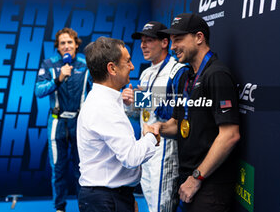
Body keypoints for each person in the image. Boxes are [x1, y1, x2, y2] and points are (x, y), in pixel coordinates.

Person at [149, 13, 241, 212]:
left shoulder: (217, 74)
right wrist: (160, 127)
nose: (172, 47)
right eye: (172, 40)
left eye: (178, 39)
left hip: (209, 183)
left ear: (199, 38)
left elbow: (230, 135)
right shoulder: (185, 77)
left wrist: (197, 177)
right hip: (188, 179)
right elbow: (176, 123)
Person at [77, 37, 160, 212]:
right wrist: (151, 137)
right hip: (107, 199)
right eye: (128, 61)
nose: (132, 66)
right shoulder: (104, 107)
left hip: (112, 197)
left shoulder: (105, 102)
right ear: (112, 68)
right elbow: (131, 157)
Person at [123, 21, 187, 212]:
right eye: (142, 41)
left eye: (149, 40)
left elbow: (179, 109)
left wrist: (145, 98)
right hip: (146, 146)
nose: (143, 45)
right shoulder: (145, 73)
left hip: (166, 148)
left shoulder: (177, 70)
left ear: (165, 42)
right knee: (151, 204)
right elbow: (142, 115)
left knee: (162, 207)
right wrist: (130, 104)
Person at [35, 27, 91, 212]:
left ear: (76, 44)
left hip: (80, 125)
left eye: (69, 42)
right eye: (62, 43)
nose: (66, 46)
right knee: (58, 170)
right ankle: (59, 208)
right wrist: (58, 79)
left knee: (81, 170)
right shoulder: (49, 64)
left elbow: (99, 90)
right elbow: (39, 91)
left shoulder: (86, 65)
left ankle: (84, 206)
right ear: (58, 47)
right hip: (57, 124)